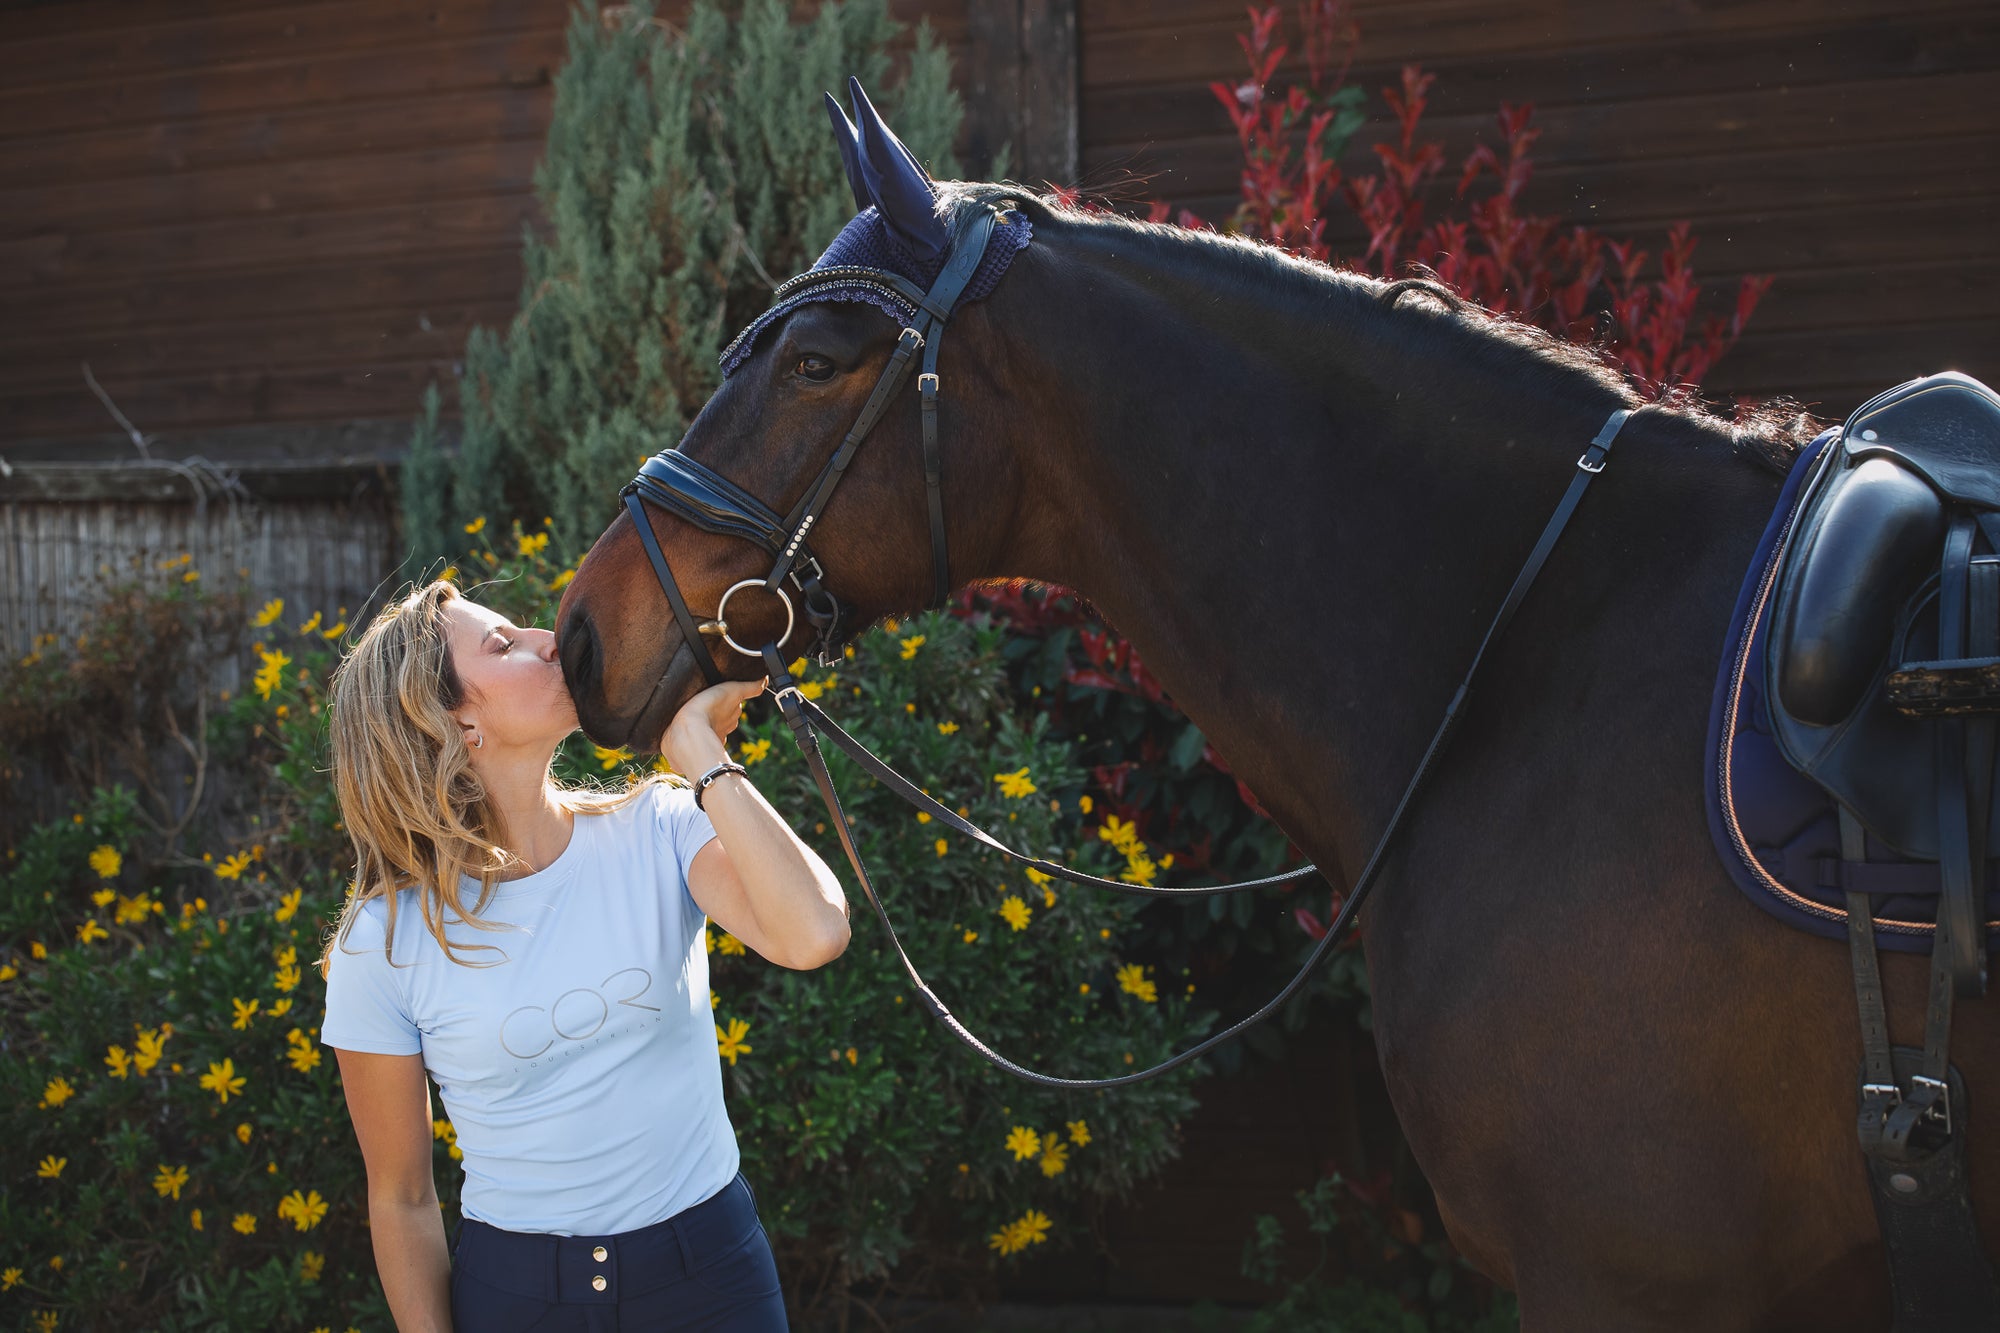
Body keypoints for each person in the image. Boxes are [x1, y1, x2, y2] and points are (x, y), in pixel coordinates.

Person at [317, 580, 847, 1331]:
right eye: (503, 644)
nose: (546, 637)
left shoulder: (659, 827)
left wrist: (699, 754)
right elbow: (401, 1198)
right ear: (457, 723)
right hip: (520, 1299)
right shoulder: (385, 941)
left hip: (713, 1278)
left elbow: (814, 931)